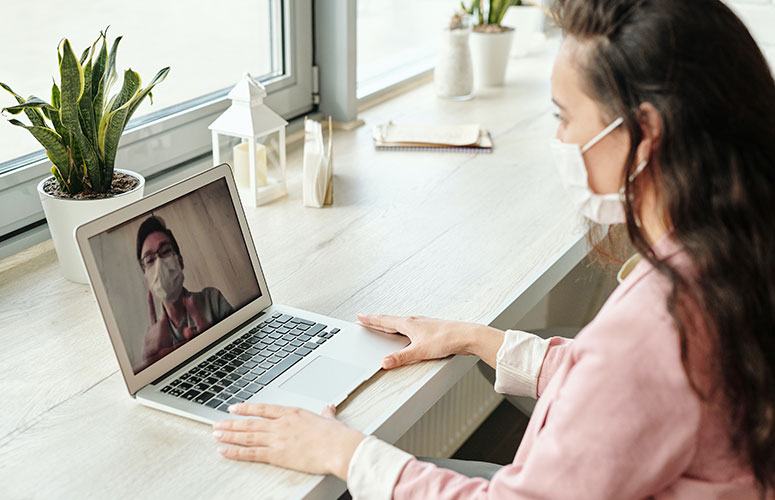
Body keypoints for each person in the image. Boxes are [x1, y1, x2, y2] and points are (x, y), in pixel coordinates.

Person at [209, 0, 775, 498]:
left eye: (565, 116)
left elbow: (629, 375)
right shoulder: (735, 252)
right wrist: (479, 339)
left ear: (644, 134)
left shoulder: (661, 324)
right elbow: (628, 398)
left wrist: (343, 452)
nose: (559, 140)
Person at [137, 216, 233, 368]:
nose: (159, 263)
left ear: (180, 261)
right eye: (150, 260)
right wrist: (150, 363)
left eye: (166, 251)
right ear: (146, 279)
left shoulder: (212, 299)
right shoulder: (153, 339)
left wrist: (212, 340)